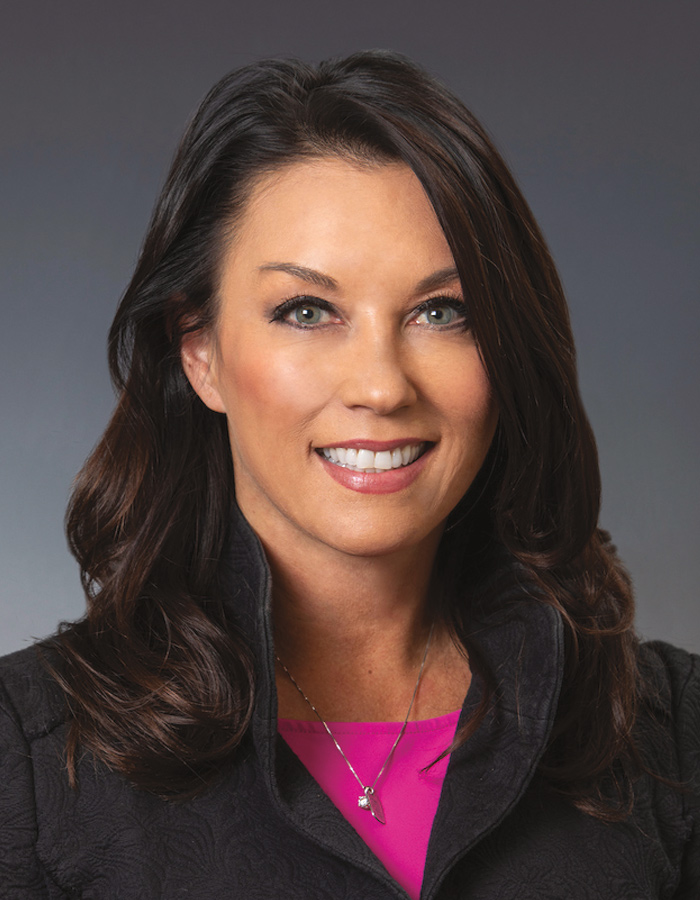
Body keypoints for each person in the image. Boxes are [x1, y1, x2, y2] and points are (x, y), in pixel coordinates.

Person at [0, 50, 697, 899]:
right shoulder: (30, 764)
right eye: (306, 312)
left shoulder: (671, 735)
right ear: (201, 352)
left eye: (443, 312)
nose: (380, 385)